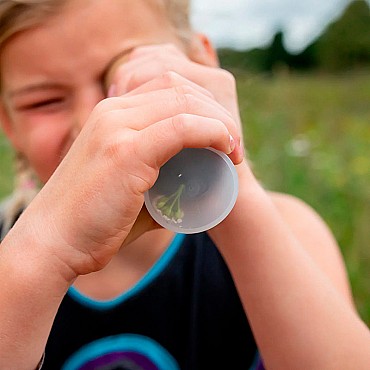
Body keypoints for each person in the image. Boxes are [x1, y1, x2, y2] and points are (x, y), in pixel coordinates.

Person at [0, 0, 369, 369]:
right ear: (8, 123)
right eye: (44, 102)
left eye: (122, 78)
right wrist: (43, 253)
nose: (94, 123)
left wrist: (227, 183)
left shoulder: (291, 232)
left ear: (201, 66)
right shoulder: (10, 251)